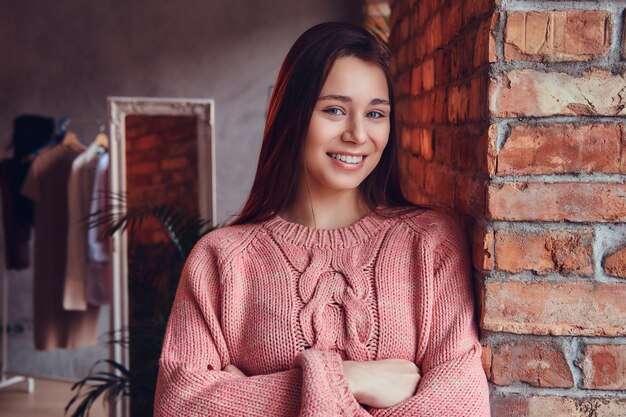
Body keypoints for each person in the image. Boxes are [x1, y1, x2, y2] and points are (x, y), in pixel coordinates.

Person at [154, 22, 490, 416]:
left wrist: (249, 397)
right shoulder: (222, 260)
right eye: (334, 109)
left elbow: (461, 406)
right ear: (293, 115)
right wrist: (350, 380)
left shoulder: (431, 243)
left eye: (376, 113)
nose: (357, 134)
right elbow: (179, 406)